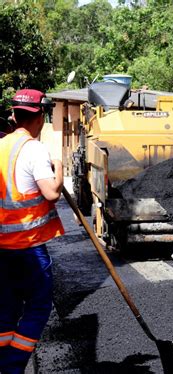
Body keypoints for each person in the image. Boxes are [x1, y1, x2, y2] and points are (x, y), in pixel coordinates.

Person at [0, 89, 64, 373]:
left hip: (1, 246)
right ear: (40, 118)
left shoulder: (2, 145)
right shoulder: (34, 148)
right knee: (38, 305)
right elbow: (51, 192)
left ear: (14, 116)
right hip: (27, 245)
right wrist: (59, 167)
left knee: (7, 309)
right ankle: (13, 367)